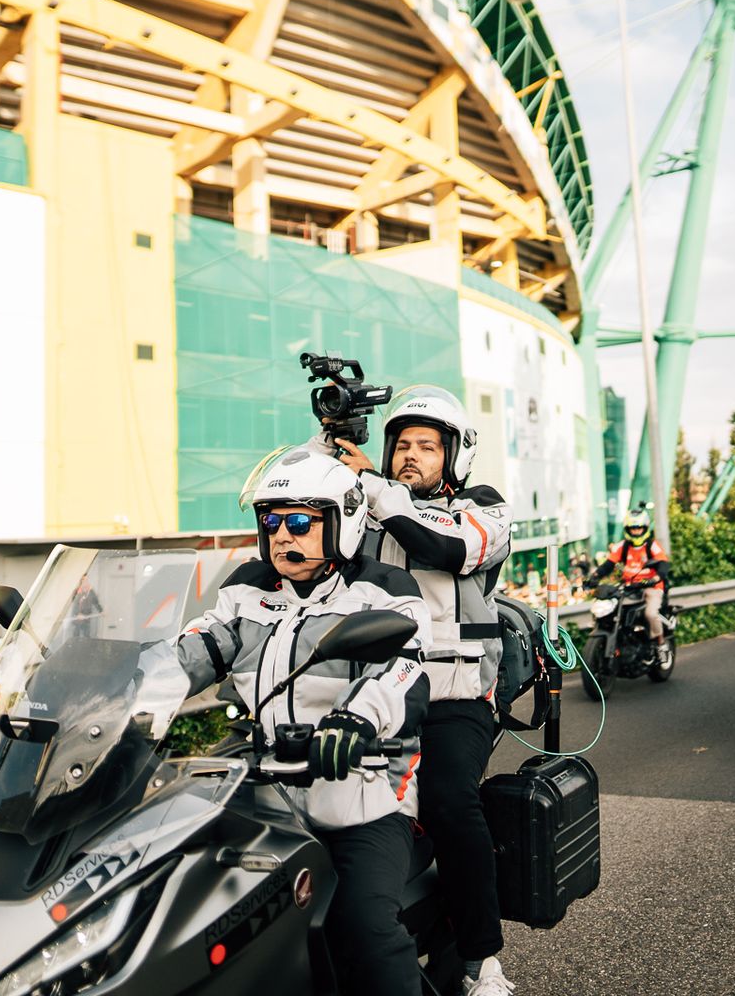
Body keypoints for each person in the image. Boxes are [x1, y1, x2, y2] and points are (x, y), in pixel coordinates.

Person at [172, 446, 431, 995]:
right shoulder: (247, 589)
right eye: (271, 522)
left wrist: (355, 720)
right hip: (262, 789)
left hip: (363, 790)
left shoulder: (382, 589)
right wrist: (127, 680)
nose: (282, 536)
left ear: (343, 521)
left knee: (363, 928)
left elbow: (404, 666)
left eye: (299, 521)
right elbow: (200, 648)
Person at [333, 386, 516, 996]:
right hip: (374, 695)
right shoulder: (373, 506)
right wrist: (330, 444)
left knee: (447, 803)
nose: (409, 455)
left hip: (453, 699)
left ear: (455, 455)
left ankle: (480, 961)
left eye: (426, 447)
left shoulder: (484, 508)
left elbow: (443, 544)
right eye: (400, 444)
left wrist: (378, 491)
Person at [593, 505, 674, 651]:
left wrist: (655, 578)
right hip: (629, 588)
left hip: (651, 587)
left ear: (645, 528)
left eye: (639, 528)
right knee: (612, 611)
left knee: (650, 613)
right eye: (632, 528)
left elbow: (663, 564)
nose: (636, 531)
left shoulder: (652, 545)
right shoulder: (622, 547)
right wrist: (595, 576)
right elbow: (608, 565)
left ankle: (661, 644)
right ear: (627, 529)